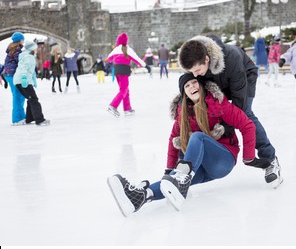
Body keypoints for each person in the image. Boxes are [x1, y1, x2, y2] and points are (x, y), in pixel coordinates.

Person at [107, 74, 270, 215]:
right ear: (184, 93)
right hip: (198, 168)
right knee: (172, 179)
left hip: (223, 160)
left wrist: (249, 157)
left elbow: (247, 125)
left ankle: (181, 181)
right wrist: (169, 173)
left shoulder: (218, 103)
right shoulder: (182, 115)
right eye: (187, 85)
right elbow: (172, 144)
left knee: (197, 138)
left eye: (194, 83)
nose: (192, 86)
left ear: (201, 85)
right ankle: (140, 197)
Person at [178, 35, 283, 188]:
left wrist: (226, 128)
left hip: (243, 77)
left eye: (197, 70)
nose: (195, 75)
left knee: (245, 114)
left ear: (206, 59)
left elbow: (239, 104)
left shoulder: (232, 58)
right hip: (217, 81)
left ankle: (270, 159)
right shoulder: (197, 63)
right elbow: (193, 88)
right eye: (191, 71)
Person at [105, 32, 145, 117]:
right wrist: (145, 65)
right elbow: (137, 59)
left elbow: (108, 59)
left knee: (125, 89)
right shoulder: (128, 49)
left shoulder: (116, 49)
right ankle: (113, 105)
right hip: (123, 71)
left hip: (116, 71)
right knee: (123, 90)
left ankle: (127, 109)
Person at [13, 40, 50, 126]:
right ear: (32, 49)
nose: (36, 50)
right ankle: (39, 120)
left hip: (19, 81)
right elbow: (24, 68)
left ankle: (29, 119)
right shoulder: (29, 57)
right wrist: (24, 78)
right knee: (34, 99)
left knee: (30, 99)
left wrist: (33, 81)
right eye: (35, 48)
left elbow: (31, 71)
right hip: (22, 80)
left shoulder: (26, 56)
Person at [3, 31, 26, 125]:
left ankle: (22, 116)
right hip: (12, 74)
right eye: (22, 39)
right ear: (20, 40)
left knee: (19, 95)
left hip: (9, 74)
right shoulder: (17, 50)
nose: (23, 41)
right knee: (17, 96)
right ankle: (16, 119)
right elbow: (20, 62)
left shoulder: (12, 48)